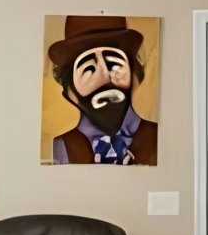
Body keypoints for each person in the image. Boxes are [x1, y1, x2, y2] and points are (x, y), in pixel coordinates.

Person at [46, 15, 158, 165]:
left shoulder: (158, 137)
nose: (105, 76)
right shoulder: (60, 148)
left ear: (134, 74)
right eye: (89, 68)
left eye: (113, 64)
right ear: (70, 92)